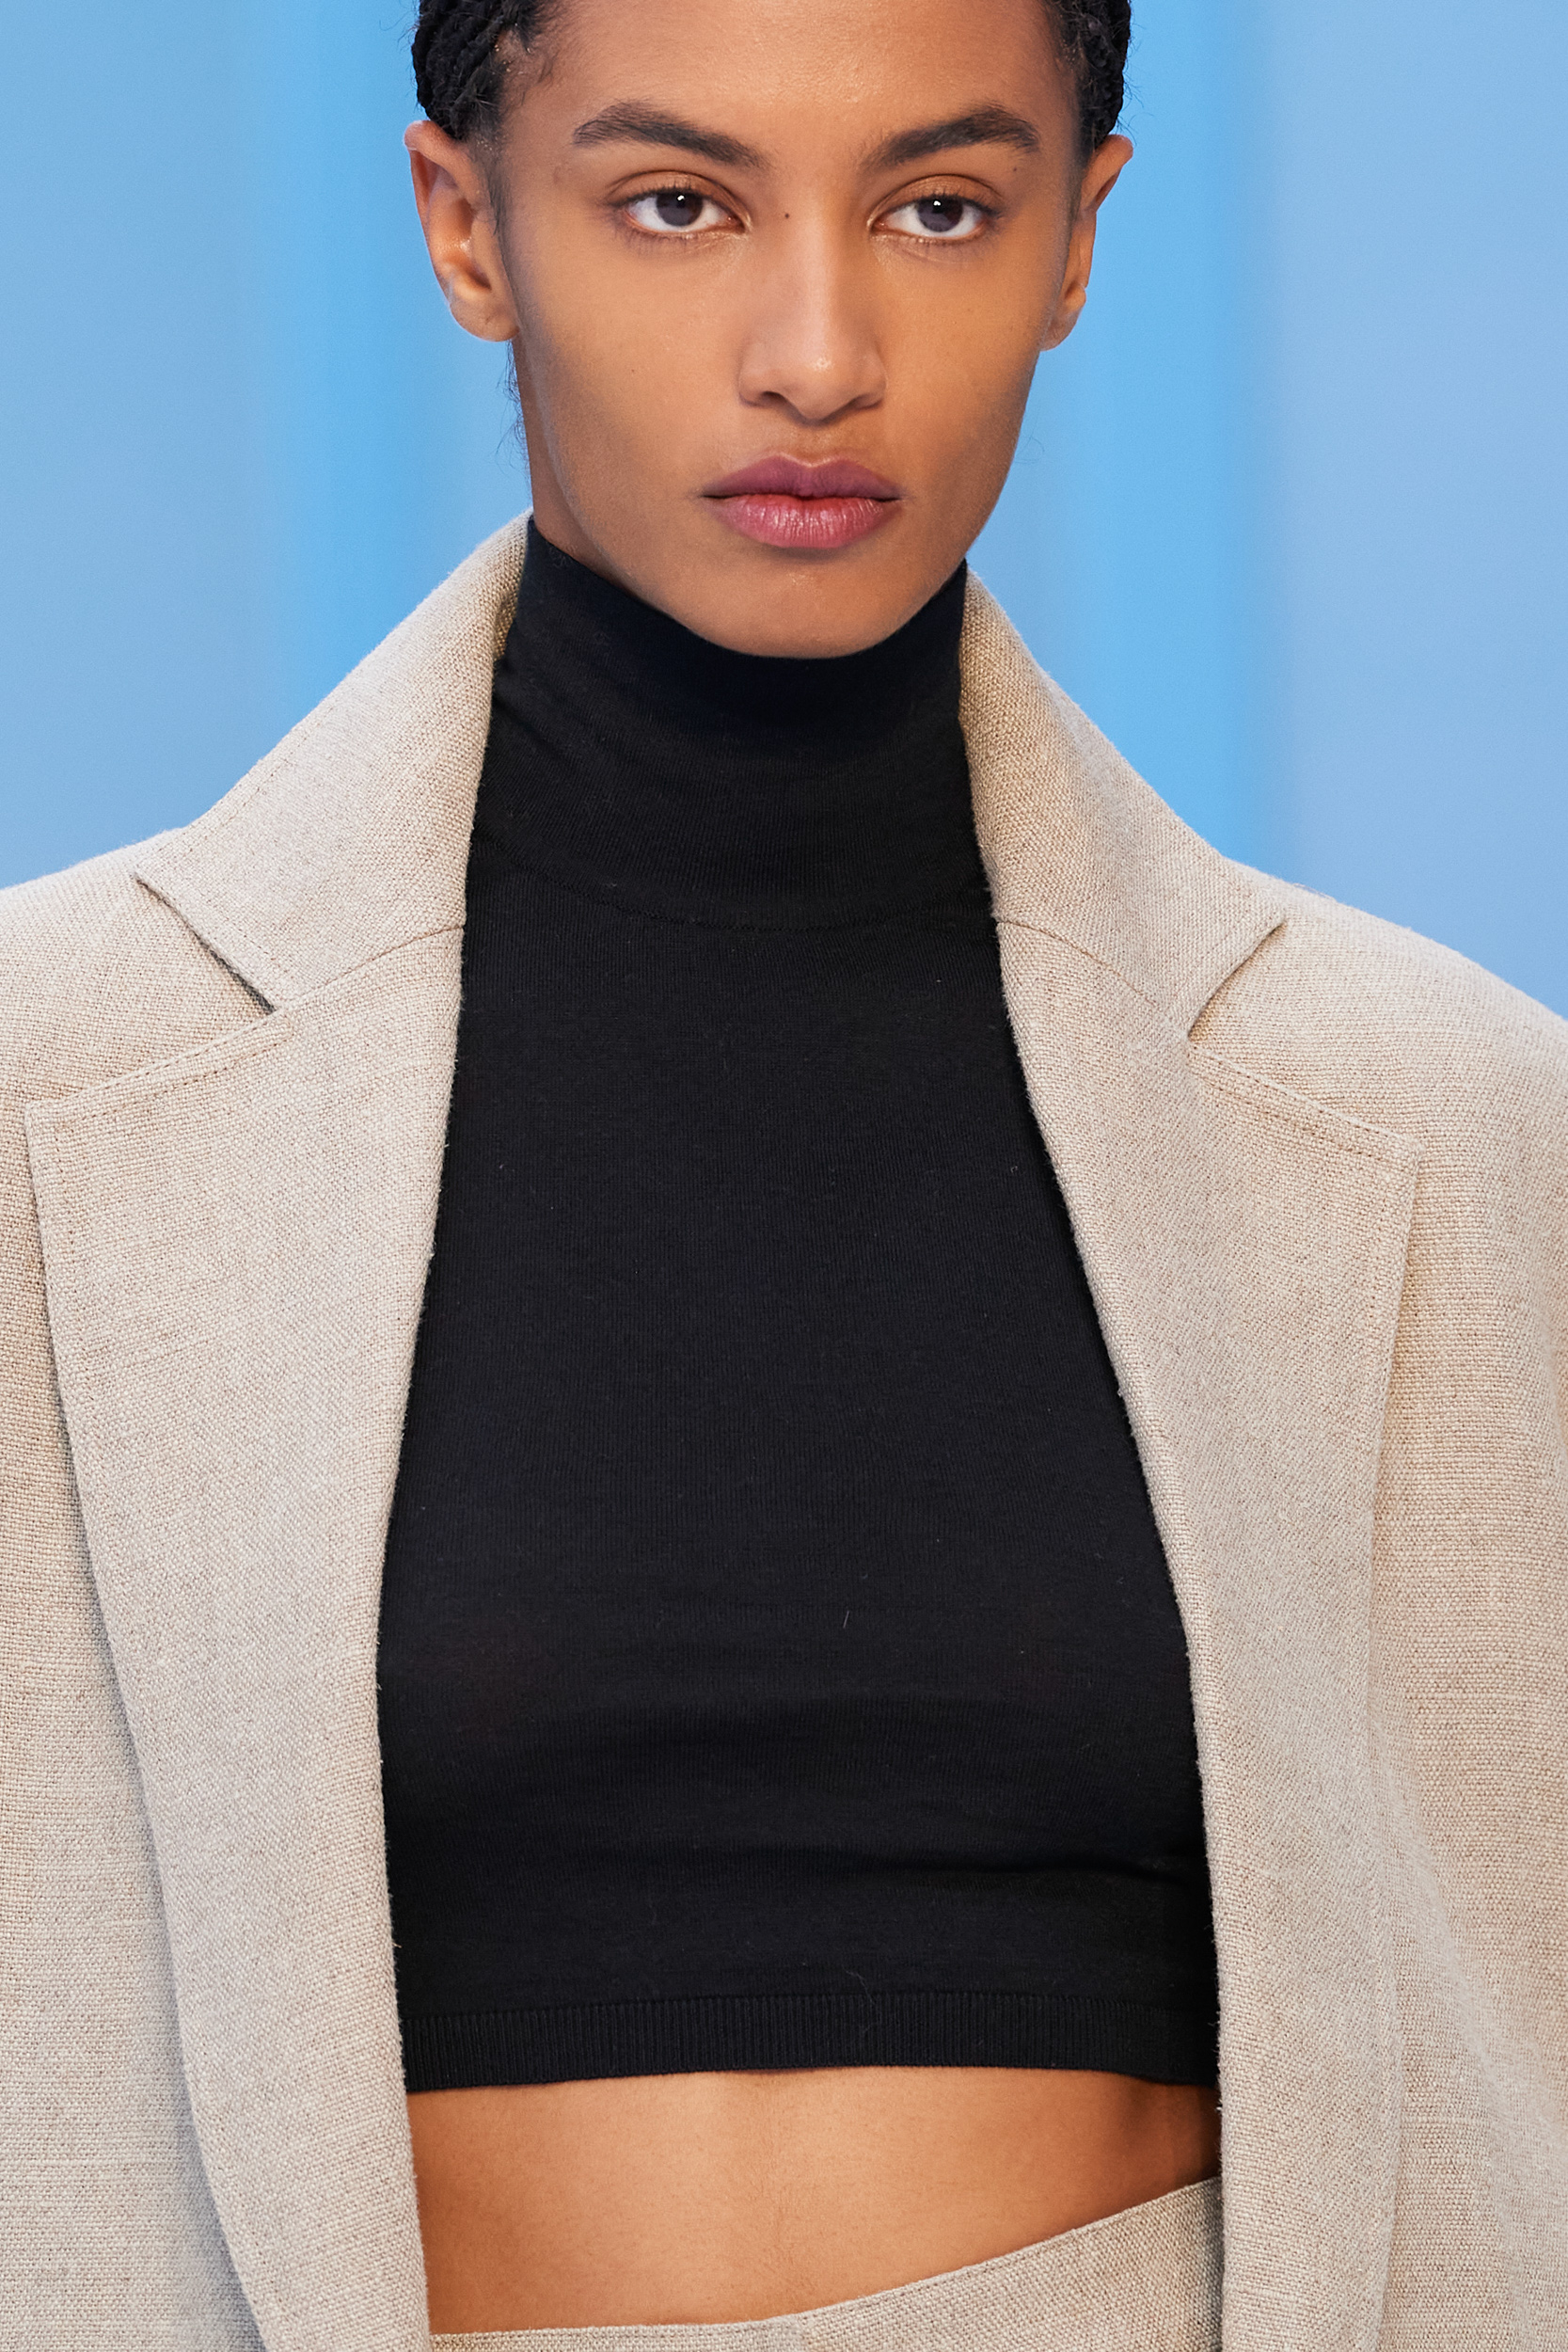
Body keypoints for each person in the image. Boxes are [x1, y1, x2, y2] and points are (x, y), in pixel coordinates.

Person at [1, 0, 1563, 2342]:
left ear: (1077, 238)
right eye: (677, 203)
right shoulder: (50, 1096)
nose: (819, 354)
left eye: (939, 206)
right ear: (465, 223)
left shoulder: (1444, 1121)